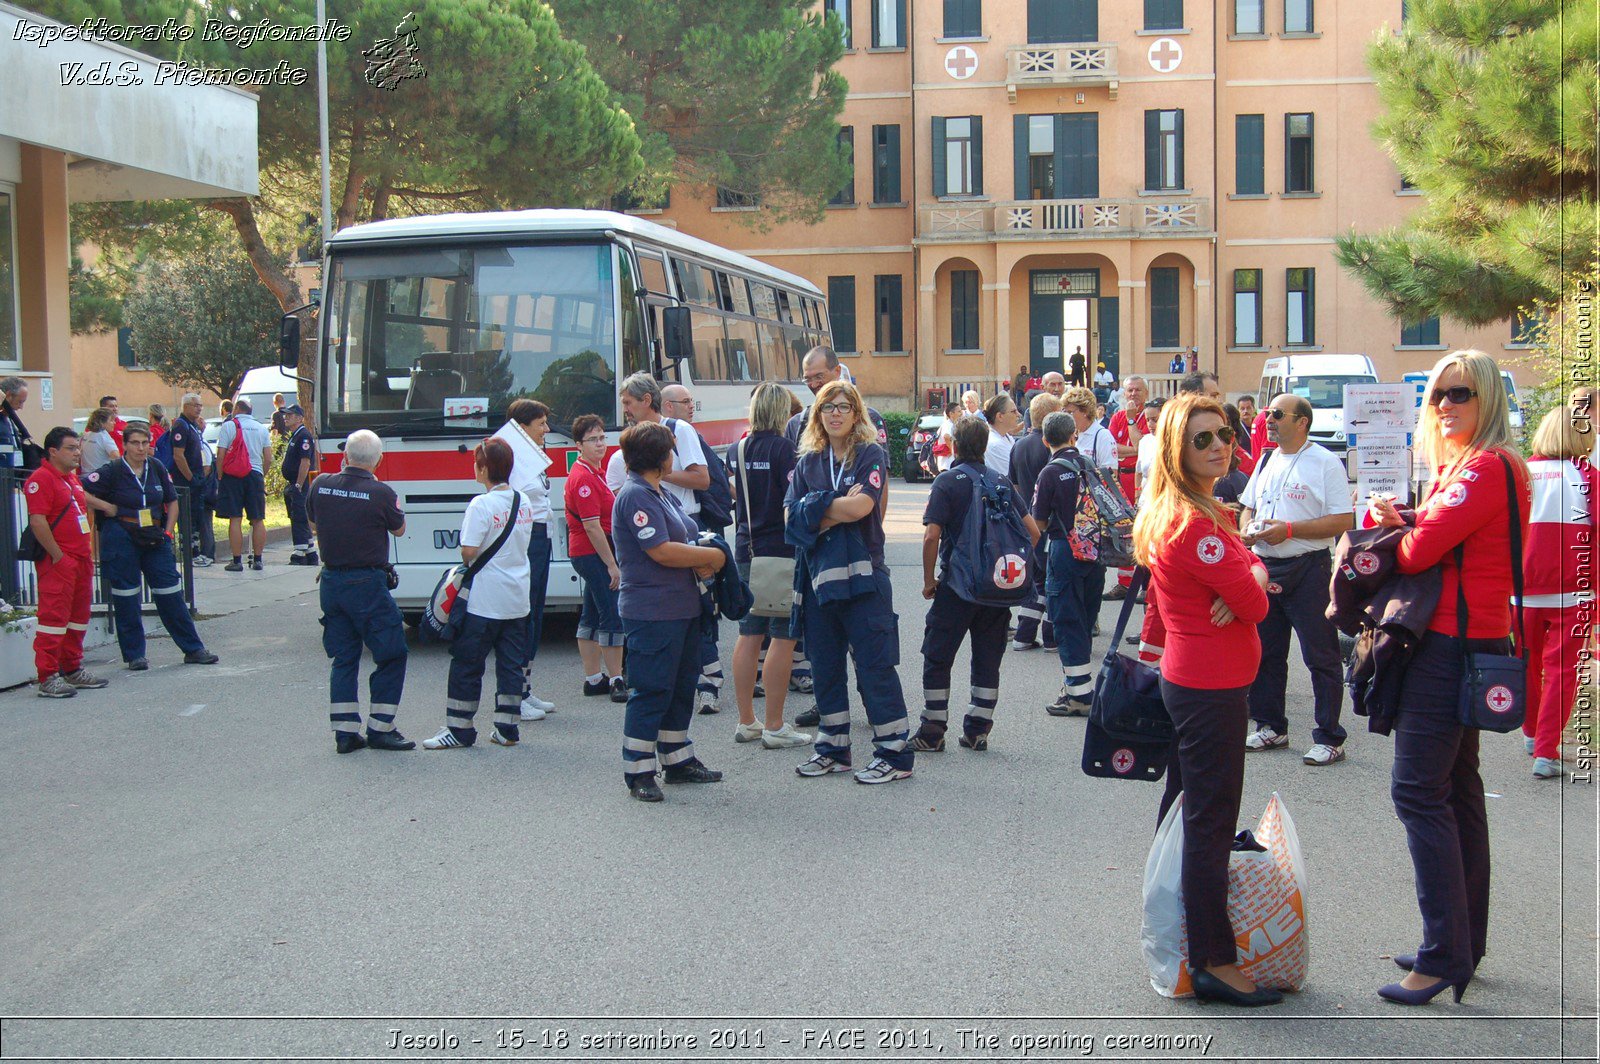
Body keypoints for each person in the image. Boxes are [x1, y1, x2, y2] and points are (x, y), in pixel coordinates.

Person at [1368, 350, 1530, 1005]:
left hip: (1449, 646)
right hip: (1471, 639)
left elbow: (1419, 551)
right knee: (1457, 791)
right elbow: (1440, 537)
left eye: (1459, 393)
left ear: (1486, 397)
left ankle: (1442, 955)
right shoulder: (1486, 467)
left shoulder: (1482, 467)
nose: (1444, 406)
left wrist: (1402, 531)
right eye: (1437, 395)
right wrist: (1414, 522)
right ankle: (1462, 943)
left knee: (1418, 794)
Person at [1133, 393, 1277, 1007]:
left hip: (1198, 682)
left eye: (1225, 432)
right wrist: (1252, 581)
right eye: (1202, 439)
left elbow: (1249, 584)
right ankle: (1215, 959)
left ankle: (1181, 937)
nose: (1219, 444)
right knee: (1208, 826)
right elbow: (1257, 603)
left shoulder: (1197, 511)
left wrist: (1251, 578)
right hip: (1210, 690)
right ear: (1176, 448)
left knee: (1189, 818)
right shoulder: (1198, 525)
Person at [787, 380, 913, 784]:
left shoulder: (869, 454)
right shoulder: (808, 462)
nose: (835, 413)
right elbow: (790, 519)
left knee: (875, 666)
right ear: (818, 416)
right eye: (828, 408)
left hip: (864, 578)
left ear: (856, 414)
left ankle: (894, 755)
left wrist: (815, 510)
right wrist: (829, 507)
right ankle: (833, 748)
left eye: (843, 407)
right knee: (824, 665)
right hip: (819, 580)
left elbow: (863, 507)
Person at [612, 421, 728, 801]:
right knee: (650, 691)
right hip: (652, 612)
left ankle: (677, 760)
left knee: (679, 689)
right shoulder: (635, 497)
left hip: (682, 609)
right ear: (660, 457)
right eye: (670, 452)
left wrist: (704, 548)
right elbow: (660, 550)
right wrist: (712, 556)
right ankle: (639, 771)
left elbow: (686, 535)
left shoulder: (659, 492)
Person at [1238, 393, 1355, 765]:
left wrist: (1289, 529)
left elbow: (1342, 520)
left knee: (1320, 654)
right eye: (1266, 414)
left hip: (1309, 567)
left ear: (1302, 421)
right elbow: (1248, 507)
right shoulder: (1268, 458)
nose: (1267, 420)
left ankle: (1329, 736)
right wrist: (1247, 530)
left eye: (1276, 414)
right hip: (1266, 565)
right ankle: (1272, 726)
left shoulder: (1324, 462)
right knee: (1266, 651)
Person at [914, 416, 1039, 752]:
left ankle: (932, 730)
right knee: (987, 659)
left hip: (957, 587)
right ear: (985, 445)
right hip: (996, 590)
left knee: (938, 656)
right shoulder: (1001, 481)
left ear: (953, 444)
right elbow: (1034, 533)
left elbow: (931, 537)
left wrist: (929, 581)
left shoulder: (947, 482)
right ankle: (978, 730)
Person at [423, 438, 536, 751]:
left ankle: (459, 730)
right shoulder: (522, 501)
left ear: (484, 468)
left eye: (476, 463)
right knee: (511, 664)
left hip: (484, 600)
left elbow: (469, 552)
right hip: (517, 597)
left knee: (467, 663)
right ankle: (507, 728)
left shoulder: (481, 504)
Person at [82, 423, 218, 671]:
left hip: (154, 536)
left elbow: (172, 501)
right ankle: (135, 655)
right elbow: (79, 489)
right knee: (127, 596)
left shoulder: (155, 467)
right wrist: (106, 507)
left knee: (170, 592)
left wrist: (168, 531)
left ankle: (193, 648)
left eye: (145, 443)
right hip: (122, 534)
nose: (141, 448)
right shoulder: (112, 471)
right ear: (124, 445)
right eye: (135, 443)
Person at [308, 430, 412, 754]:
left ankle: (344, 733)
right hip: (367, 584)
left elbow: (313, 524)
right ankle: (381, 727)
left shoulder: (320, 484)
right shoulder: (380, 492)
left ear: (345, 457)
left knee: (344, 656)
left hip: (332, 583)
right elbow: (399, 528)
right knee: (392, 652)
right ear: (379, 460)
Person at [727, 383, 812, 749]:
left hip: (748, 548)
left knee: (749, 635)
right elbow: (793, 503)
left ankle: (747, 720)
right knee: (783, 635)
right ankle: (776, 725)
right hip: (781, 551)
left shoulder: (738, 448)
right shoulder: (787, 451)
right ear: (782, 413)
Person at [1520, 406, 1598, 778]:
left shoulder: (1521, 473)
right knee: (1563, 671)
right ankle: (1546, 751)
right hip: (1574, 591)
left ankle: (1532, 734)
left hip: (1520, 589)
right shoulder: (1589, 477)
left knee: (1526, 663)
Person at [26, 428, 111, 698]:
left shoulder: (71, 479)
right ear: (53, 451)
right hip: (60, 561)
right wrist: (58, 556)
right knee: (54, 618)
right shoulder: (41, 479)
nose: (77, 453)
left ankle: (72, 667)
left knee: (77, 617)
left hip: (80, 559)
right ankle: (48, 675)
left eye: (77, 447)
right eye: (71, 448)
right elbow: (38, 521)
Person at [663, 382, 727, 715]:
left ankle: (709, 682)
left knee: (703, 604)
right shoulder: (652, 431)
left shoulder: (681, 430)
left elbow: (702, 479)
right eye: (686, 401)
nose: (692, 406)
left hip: (691, 525)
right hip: (669, 525)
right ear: (666, 405)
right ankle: (696, 678)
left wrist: (659, 474)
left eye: (692, 401)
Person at [492, 398, 557, 720]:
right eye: (541, 424)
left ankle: (525, 689)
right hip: (525, 540)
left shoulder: (532, 456)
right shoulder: (509, 459)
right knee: (522, 616)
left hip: (540, 538)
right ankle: (512, 694)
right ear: (521, 427)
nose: (546, 430)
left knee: (535, 617)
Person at [1033, 412, 1101, 714]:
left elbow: (1040, 521)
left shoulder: (1050, 472)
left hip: (1065, 550)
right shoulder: (1090, 464)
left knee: (1065, 620)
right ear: (1074, 434)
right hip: (1096, 552)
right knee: (1085, 620)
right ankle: (1080, 686)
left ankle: (1078, 697)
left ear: (1046, 439)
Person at [564, 413, 626, 703]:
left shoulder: (593, 473)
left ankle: (593, 678)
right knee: (611, 613)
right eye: (593, 439)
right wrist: (612, 565)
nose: (600, 444)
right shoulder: (583, 479)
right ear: (579, 444)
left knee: (590, 614)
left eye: (602, 438)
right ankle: (616, 679)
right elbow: (591, 526)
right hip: (592, 552)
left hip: (590, 552)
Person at [1010, 392, 1063, 651]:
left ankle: (1023, 634)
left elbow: (1016, 485)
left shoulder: (1018, 445)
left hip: (1027, 520)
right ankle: (1051, 637)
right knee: (1051, 581)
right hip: (1049, 523)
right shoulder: (1049, 446)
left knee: (1037, 581)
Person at [785, 346, 888, 449]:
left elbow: (879, 463)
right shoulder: (797, 424)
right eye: (808, 379)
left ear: (837, 371)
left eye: (819, 377)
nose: (814, 384)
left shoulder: (870, 419)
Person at [215, 398, 273, 572]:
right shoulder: (261, 428)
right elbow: (268, 458)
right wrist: (262, 474)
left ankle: (236, 560)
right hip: (255, 474)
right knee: (257, 519)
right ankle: (258, 560)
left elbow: (221, 454)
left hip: (233, 476)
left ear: (237, 409)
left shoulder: (229, 426)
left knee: (235, 518)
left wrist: (220, 477)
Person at [1107, 376, 1150, 600]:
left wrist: (1137, 447)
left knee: (1142, 531)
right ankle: (1124, 583)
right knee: (1123, 531)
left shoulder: (1149, 417)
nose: (1133, 394)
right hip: (1121, 478)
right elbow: (1113, 447)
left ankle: (1143, 584)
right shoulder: (1117, 417)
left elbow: (1144, 444)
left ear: (1146, 393)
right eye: (1130, 390)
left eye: (1138, 390)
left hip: (1140, 479)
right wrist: (1137, 449)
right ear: (1124, 393)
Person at [165, 393, 210, 567]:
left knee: (196, 516)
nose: (199, 408)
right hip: (185, 481)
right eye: (195, 405)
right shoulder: (180, 426)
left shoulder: (192, 425)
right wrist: (191, 477)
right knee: (187, 517)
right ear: (186, 406)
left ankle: (196, 551)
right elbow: (178, 455)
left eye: (200, 405)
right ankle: (189, 554)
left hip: (197, 478)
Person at [281, 404, 318, 566]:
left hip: (300, 484)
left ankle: (299, 551)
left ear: (299, 418)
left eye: (289, 415)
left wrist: (298, 485)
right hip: (295, 483)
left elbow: (305, 462)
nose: (285, 418)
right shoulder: (295, 435)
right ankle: (310, 551)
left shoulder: (303, 436)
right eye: (286, 415)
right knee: (297, 513)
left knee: (299, 515)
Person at [0, 376, 43, 470]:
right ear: (8, 396)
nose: (21, 407)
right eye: (20, 402)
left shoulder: (11, 421)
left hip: (13, 476)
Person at [983, 393, 1021, 480]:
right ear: (1000, 416)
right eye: (1013, 411)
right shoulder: (994, 444)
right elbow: (1012, 476)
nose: (1018, 415)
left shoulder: (1005, 436)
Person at [81, 407, 120, 472]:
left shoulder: (86, 435)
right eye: (111, 420)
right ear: (102, 422)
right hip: (100, 476)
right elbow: (116, 456)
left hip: (85, 475)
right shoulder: (104, 436)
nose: (114, 423)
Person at [935, 400, 961, 473]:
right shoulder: (948, 425)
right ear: (951, 414)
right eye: (959, 411)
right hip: (947, 463)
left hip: (948, 462)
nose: (961, 413)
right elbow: (946, 437)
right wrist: (953, 452)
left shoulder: (952, 424)